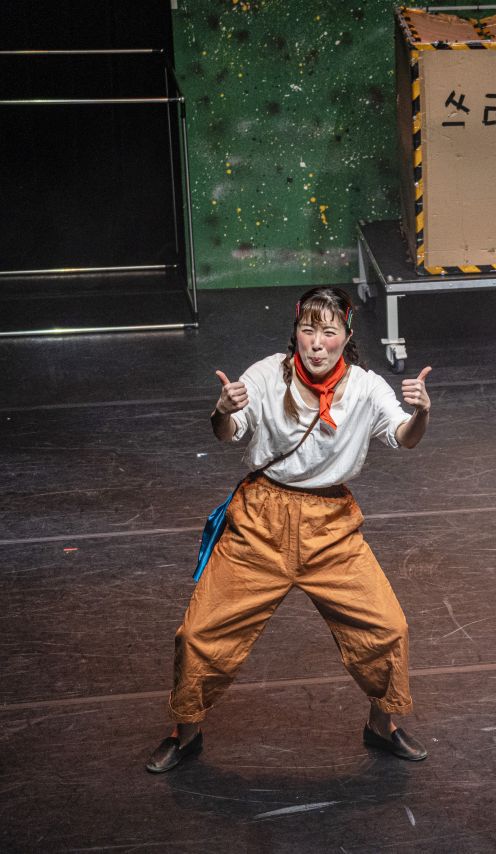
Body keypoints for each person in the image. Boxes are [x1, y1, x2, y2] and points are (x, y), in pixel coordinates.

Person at [146, 287, 433, 773]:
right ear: (295, 333)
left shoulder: (365, 387)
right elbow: (228, 431)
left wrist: (422, 412)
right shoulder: (265, 374)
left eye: (329, 332)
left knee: (387, 628)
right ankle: (185, 731)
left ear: (346, 337)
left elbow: (403, 437)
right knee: (199, 633)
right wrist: (222, 410)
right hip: (261, 521)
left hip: (330, 527)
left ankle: (381, 725)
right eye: (308, 330)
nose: (317, 343)